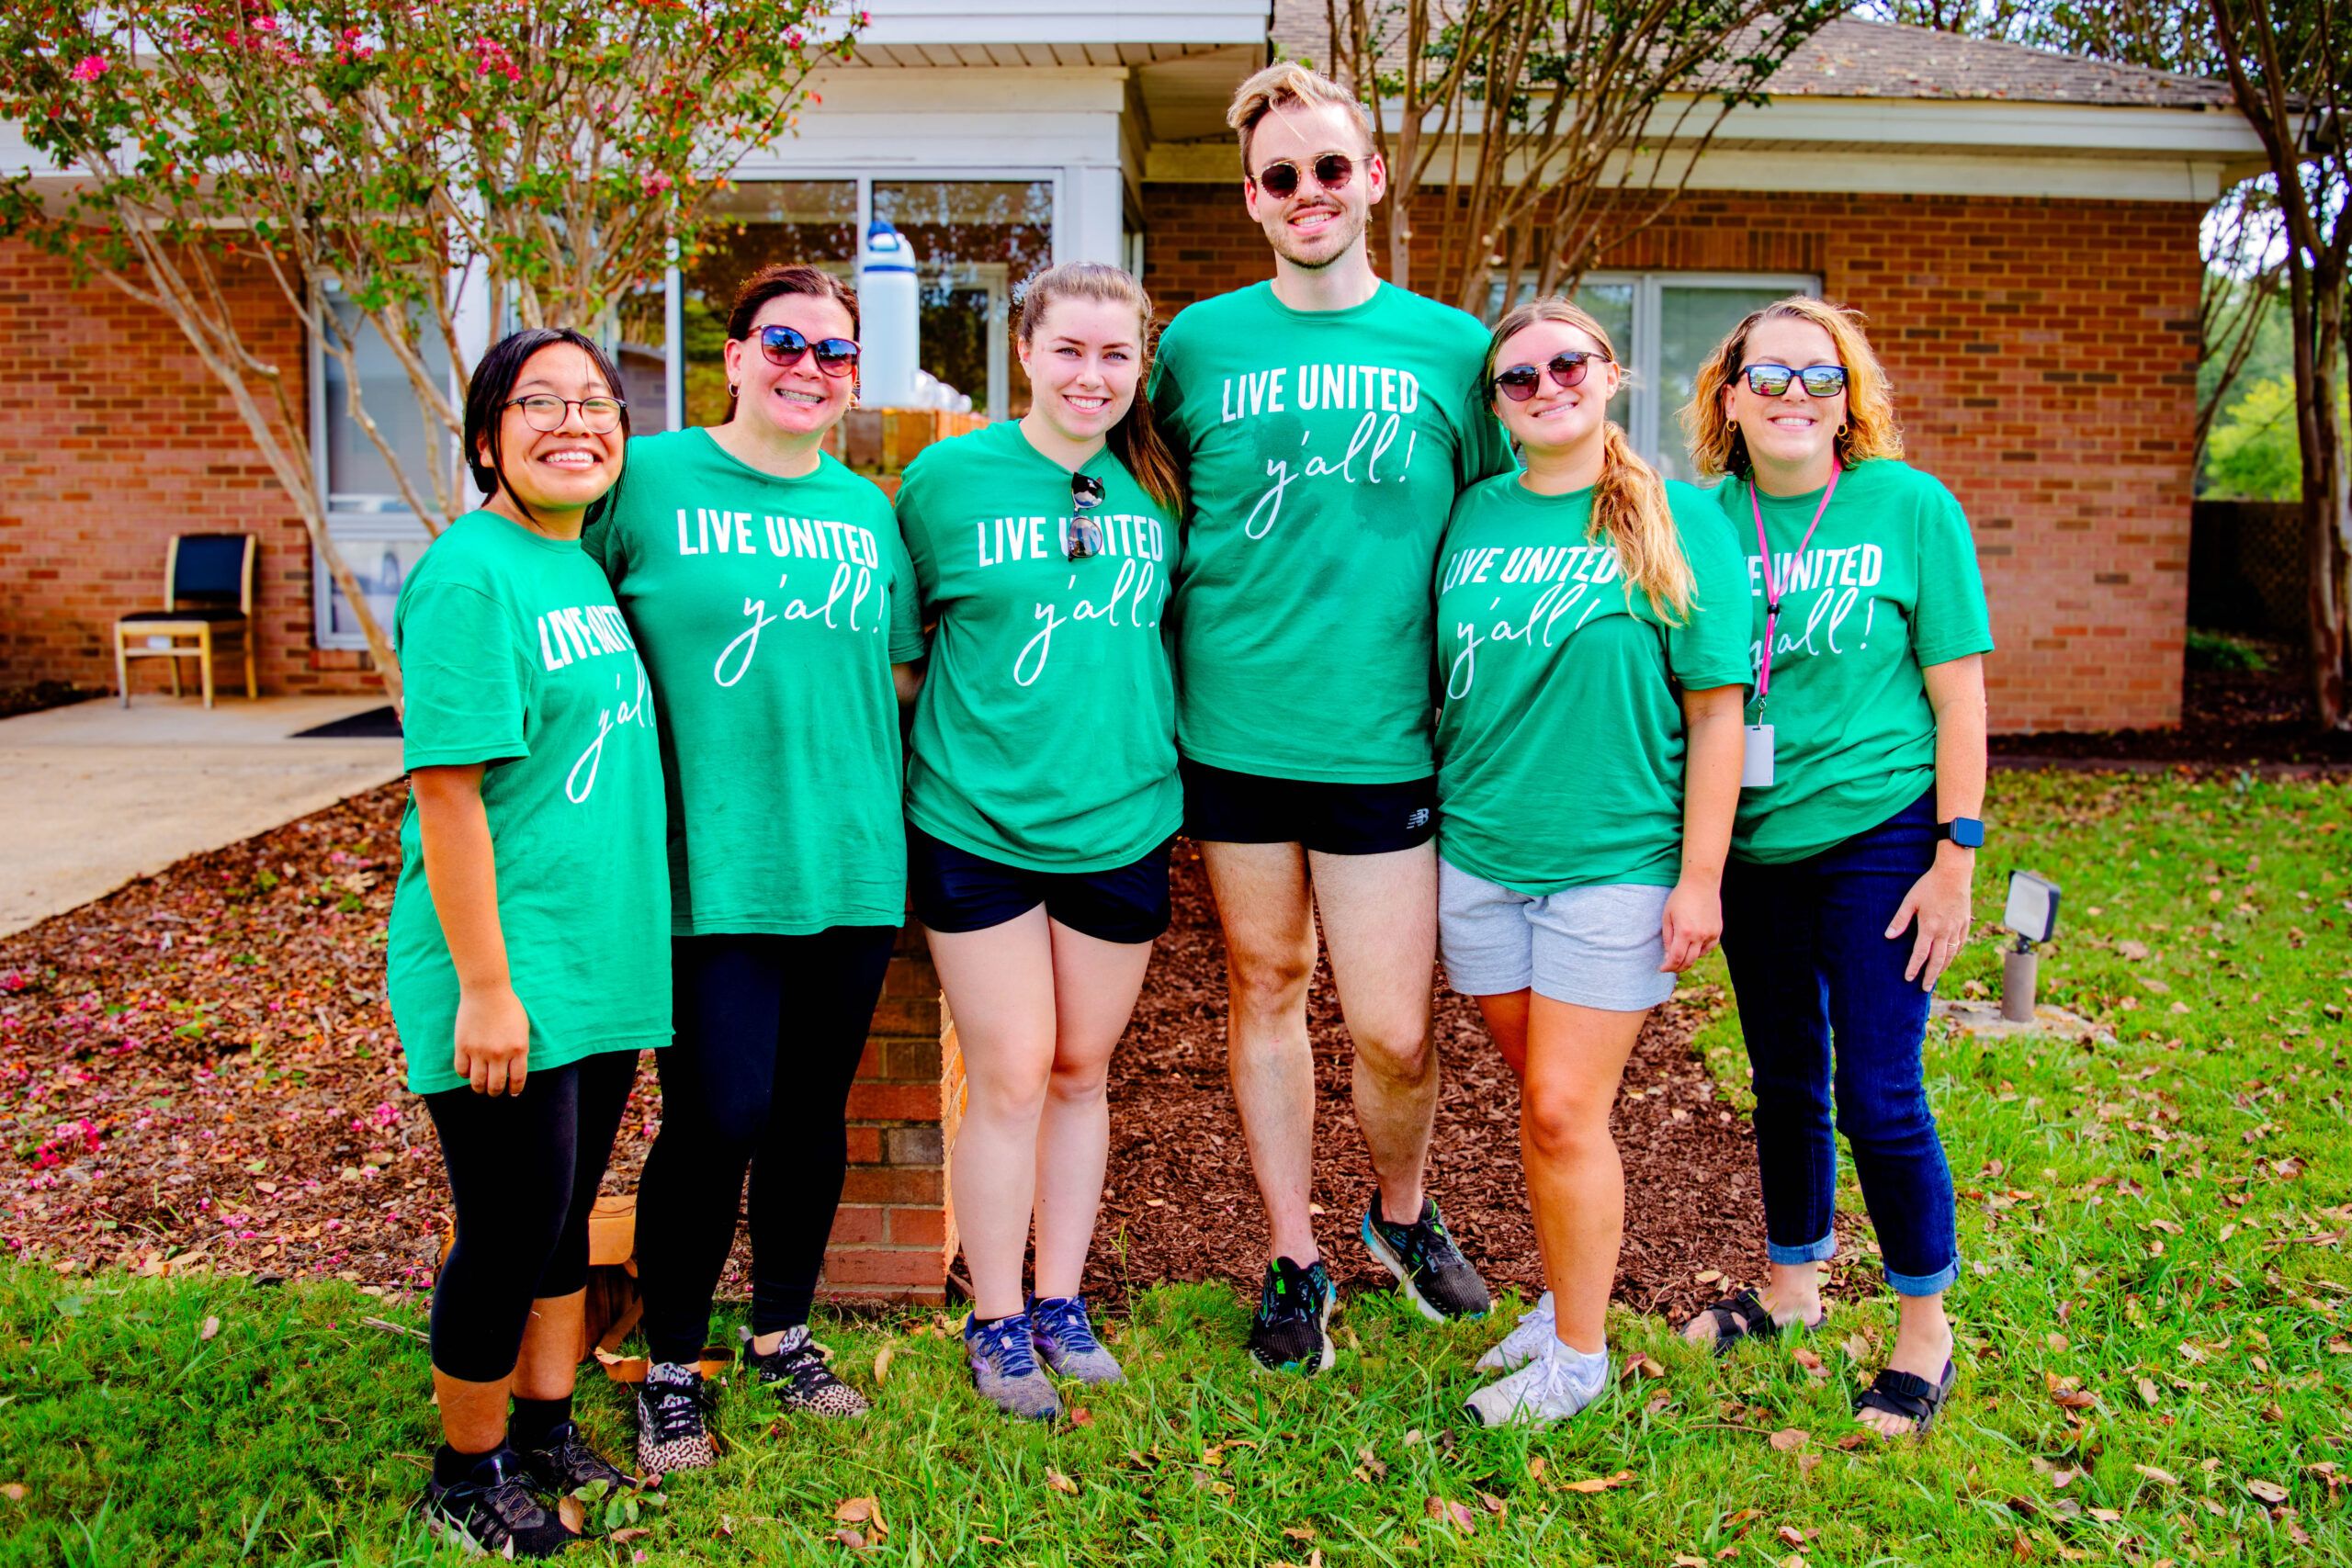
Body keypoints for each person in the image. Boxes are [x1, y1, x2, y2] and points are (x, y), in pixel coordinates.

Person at [1148, 61, 1516, 1374]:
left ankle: (1400, 1215)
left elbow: (1506, 519)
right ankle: (1293, 1254)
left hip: (1384, 740)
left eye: (1330, 167)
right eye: (1282, 176)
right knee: (1266, 983)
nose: (1310, 192)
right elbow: (1139, 500)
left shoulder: (1455, 353)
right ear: (1254, 199)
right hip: (1235, 732)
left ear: (1369, 179)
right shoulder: (1193, 348)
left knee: (1396, 1023)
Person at [582, 265, 926, 1472]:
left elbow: (894, 675)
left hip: (846, 859)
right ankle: (673, 1363)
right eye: (785, 341)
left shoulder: (867, 510)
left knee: (806, 1117)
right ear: (731, 355)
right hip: (705, 867)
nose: (809, 368)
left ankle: (783, 1330)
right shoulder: (647, 483)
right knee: (718, 1109)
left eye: (836, 354)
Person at [1675, 297, 1992, 1440]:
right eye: (1768, 376)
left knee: (1879, 1092)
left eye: (1818, 376)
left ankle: (1922, 1332)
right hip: (1753, 841)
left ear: (1849, 397)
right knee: (1782, 1079)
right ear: (1729, 396)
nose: (1793, 395)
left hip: (1882, 835)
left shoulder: (1908, 507)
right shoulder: (1698, 518)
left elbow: (1958, 695)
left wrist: (1955, 858)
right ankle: (1792, 1288)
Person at [1431, 300, 1748, 1427]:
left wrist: (1698, 878)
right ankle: (1566, 1297)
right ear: (1498, 407)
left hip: (1614, 862)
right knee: (1546, 1104)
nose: (1546, 386)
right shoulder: (1468, 517)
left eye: (1568, 363)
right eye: (1518, 378)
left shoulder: (1674, 518)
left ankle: (1577, 1356)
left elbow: (1718, 714)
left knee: (1565, 1109)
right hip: (1477, 856)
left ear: (1608, 373)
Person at [388, 327, 667, 1555]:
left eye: (597, 402)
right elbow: (447, 793)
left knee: (561, 1220)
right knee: (505, 1226)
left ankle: (548, 1427)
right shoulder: (470, 576)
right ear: (488, 434)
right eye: (540, 402)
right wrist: (490, 987)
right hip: (505, 966)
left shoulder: (576, 563)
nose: (575, 423)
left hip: (594, 953)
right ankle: (467, 1466)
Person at [893, 262, 1184, 1420]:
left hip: (1120, 820)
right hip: (978, 822)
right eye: (1069, 349)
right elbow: (905, 655)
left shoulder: (1156, 487)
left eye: (1116, 355)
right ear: (1024, 350)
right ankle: (998, 1314)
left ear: (1139, 369)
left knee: (1079, 1070)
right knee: (1010, 1071)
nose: (1091, 375)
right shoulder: (945, 479)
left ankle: (1063, 1301)